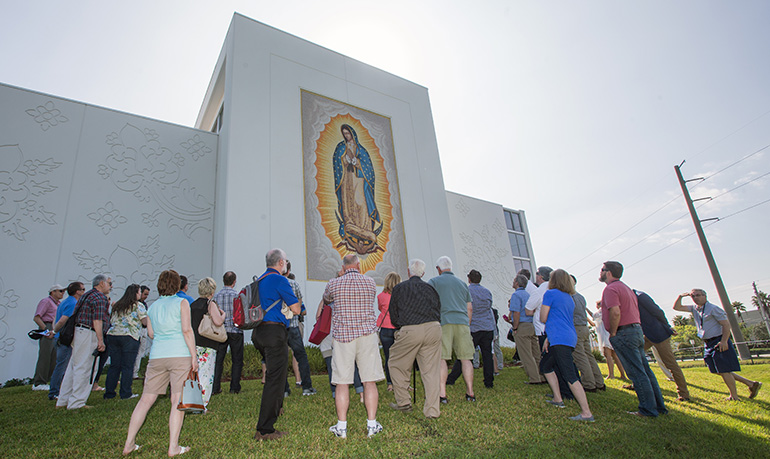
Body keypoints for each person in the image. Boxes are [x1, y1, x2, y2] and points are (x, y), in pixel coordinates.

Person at [122, 269, 197, 456]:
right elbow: (187, 330)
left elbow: (151, 334)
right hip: (179, 354)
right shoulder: (182, 302)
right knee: (176, 401)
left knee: (145, 400)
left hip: (157, 356)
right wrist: (194, 356)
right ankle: (173, 447)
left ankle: (129, 443)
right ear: (177, 284)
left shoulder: (152, 307)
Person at [324, 254, 384, 438]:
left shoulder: (333, 283)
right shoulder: (370, 282)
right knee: (369, 381)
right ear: (358, 265)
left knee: (342, 382)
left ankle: (341, 427)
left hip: (343, 337)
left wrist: (340, 277)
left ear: (343, 266)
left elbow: (327, 300)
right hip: (367, 335)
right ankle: (372, 425)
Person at [600, 261, 666, 417]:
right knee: (645, 370)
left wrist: (614, 332)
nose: (600, 273)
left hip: (624, 332)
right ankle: (659, 406)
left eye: (602, 270)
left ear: (608, 272)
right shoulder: (627, 288)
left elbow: (615, 312)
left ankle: (648, 409)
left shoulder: (611, 289)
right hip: (636, 330)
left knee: (636, 373)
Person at [674, 289, 762, 401]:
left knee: (724, 369)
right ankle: (750, 384)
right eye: (693, 296)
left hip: (718, 341)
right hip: (708, 343)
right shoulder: (695, 309)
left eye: (698, 295)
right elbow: (677, 307)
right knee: (717, 370)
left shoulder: (713, 309)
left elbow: (726, 325)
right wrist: (680, 297)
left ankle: (734, 396)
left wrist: (724, 341)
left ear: (704, 296)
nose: (695, 298)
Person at [251, 249, 301, 441]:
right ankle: (265, 429)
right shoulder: (280, 280)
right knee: (275, 379)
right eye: (286, 261)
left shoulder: (260, 279)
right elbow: (296, 308)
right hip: (274, 332)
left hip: (258, 332)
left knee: (275, 375)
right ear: (281, 262)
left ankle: (276, 405)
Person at [387, 259, 443, 418]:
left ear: (408, 271)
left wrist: (401, 328)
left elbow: (393, 314)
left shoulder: (399, 288)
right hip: (433, 328)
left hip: (410, 329)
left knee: (396, 364)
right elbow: (438, 309)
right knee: (431, 371)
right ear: (423, 273)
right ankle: (432, 411)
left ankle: (404, 402)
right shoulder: (430, 288)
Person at [540, 269, 594, 422]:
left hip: (559, 338)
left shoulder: (550, 294)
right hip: (567, 337)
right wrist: (548, 338)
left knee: (570, 375)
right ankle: (558, 399)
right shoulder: (569, 298)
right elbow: (561, 319)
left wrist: (550, 334)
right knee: (546, 366)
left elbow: (543, 317)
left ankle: (586, 413)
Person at [56, 274, 112, 410]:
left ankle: (63, 400)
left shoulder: (87, 295)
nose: (111, 286)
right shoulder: (99, 297)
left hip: (79, 332)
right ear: (101, 284)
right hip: (88, 333)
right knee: (85, 368)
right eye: (109, 283)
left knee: (73, 367)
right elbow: (97, 320)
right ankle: (77, 403)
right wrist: (100, 340)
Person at [429, 256, 475, 403]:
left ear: (438, 269)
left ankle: (442, 394)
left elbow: (429, 303)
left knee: (442, 358)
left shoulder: (434, 282)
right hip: (462, 322)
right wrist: (466, 323)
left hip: (444, 322)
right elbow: (469, 307)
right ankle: (470, 393)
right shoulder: (462, 284)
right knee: (466, 359)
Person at [333, 124, 382, 254]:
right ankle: (349, 223)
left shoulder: (362, 150)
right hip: (346, 179)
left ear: (352, 133)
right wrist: (345, 159)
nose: (346, 136)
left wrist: (356, 162)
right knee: (348, 202)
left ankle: (365, 227)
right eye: (344, 134)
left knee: (360, 201)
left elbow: (369, 170)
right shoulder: (340, 147)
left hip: (358, 179)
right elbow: (337, 163)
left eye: (348, 133)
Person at [634, 289, 689, 401]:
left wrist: (667, 326)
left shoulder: (641, 296)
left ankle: (683, 394)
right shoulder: (631, 298)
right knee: (634, 357)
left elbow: (657, 311)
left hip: (659, 334)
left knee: (670, 364)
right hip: (646, 335)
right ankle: (638, 384)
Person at [448, 270, 495, 389]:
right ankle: (489, 381)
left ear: (469, 279)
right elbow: (489, 307)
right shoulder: (487, 292)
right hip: (487, 327)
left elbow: (466, 308)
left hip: (473, 327)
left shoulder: (467, 291)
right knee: (487, 355)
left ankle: (452, 378)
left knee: (464, 355)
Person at [104, 284, 148, 400]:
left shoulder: (118, 305)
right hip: (129, 335)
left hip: (113, 334)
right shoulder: (138, 305)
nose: (140, 294)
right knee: (127, 366)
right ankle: (125, 393)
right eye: (139, 292)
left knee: (114, 365)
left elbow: (112, 319)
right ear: (135, 293)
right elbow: (144, 322)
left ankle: (109, 392)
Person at [190, 277, 226, 411]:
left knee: (195, 374)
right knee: (206, 375)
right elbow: (217, 321)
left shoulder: (192, 305)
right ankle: (201, 404)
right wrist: (223, 315)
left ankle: (192, 401)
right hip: (207, 343)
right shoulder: (211, 304)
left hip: (194, 343)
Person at [284, 261, 316, 396]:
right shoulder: (294, 284)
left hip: (276, 327)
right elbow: (299, 307)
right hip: (292, 325)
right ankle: (306, 387)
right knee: (301, 356)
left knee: (280, 358)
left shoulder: (270, 283)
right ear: (289, 270)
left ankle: (284, 389)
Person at [49, 281, 85, 400]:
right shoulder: (73, 303)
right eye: (83, 289)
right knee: (62, 366)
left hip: (59, 337)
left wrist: (55, 331)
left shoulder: (65, 302)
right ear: (77, 292)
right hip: (64, 339)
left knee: (62, 364)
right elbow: (62, 320)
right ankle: (55, 392)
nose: (84, 292)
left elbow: (55, 318)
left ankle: (59, 390)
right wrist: (55, 331)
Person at [570, 275, 605, 392]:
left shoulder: (570, 297)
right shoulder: (580, 297)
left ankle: (589, 384)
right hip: (584, 328)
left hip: (576, 328)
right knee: (589, 356)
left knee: (580, 357)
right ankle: (599, 382)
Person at [212, 271, 243, 394]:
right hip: (235, 330)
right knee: (237, 360)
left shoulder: (216, 297)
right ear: (234, 282)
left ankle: (215, 387)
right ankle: (234, 387)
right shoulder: (238, 295)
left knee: (219, 360)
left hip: (221, 331)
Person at [524, 266, 554, 384]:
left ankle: (551, 381)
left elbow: (529, 309)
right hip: (554, 328)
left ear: (540, 276)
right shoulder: (555, 288)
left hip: (543, 329)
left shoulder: (540, 290)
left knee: (548, 358)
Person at [510, 274, 542, 383]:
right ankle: (542, 376)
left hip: (522, 326)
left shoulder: (516, 295)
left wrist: (515, 327)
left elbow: (516, 313)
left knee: (526, 355)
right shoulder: (528, 294)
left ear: (517, 283)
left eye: (514, 280)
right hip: (531, 325)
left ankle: (534, 378)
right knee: (536, 353)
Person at [32, 284, 64, 391]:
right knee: (45, 356)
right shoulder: (46, 301)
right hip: (48, 326)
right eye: (60, 291)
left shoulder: (58, 304)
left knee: (54, 357)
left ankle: (47, 380)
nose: (62, 293)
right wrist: (46, 330)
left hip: (55, 328)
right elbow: (37, 317)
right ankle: (38, 382)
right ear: (53, 292)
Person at [377, 272, 401, 392]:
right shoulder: (402, 295)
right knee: (401, 357)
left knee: (388, 357)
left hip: (385, 329)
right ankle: (402, 383)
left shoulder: (381, 296)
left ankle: (390, 383)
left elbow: (380, 308)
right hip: (398, 328)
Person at [591, 302, 626, 380]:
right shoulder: (608, 311)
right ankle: (622, 374)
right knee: (615, 355)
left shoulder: (601, 311)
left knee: (608, 355)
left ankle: (611, 374)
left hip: (605, 336)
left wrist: (585, 309)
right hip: (610, 334)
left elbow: (593, 316)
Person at [133, 285, 153, 379]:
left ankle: (135, 372)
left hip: (143, 330)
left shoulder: (144, 304)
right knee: (135, 352)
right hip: (138, 330)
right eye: (144, 294)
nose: (145, 296)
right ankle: (133, 372)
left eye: (147, 295)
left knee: (140, 352)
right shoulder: (137, 305)